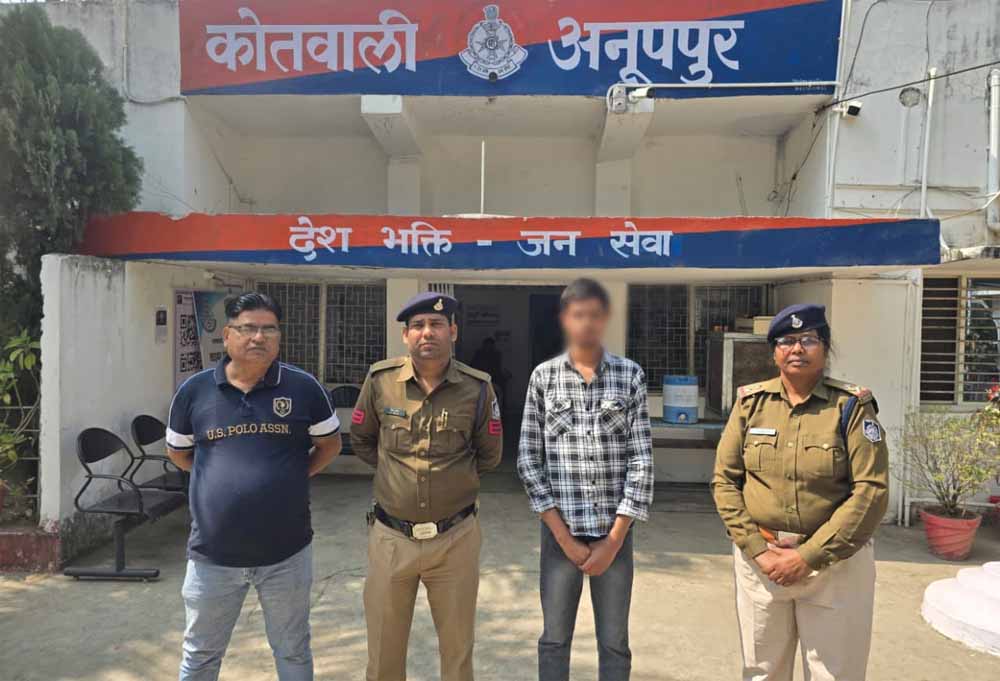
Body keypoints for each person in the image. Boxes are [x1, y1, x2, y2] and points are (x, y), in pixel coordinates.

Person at [166, 292, 342, 681]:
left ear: (279, 336)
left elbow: (330, 446)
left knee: (293, 649)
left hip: (286, 554)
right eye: (248, 328)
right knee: (200, 655)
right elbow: (179, 453)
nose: (258, 337)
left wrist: (291, 475)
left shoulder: (304, 388)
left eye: (268, 329)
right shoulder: (194, 392)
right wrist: (218, 478)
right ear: (228, 334)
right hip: (212, 556)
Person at [712, 304, 889, 681]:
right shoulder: (750, 405)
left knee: (834, 674)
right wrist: (758, 550)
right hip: (762, 563)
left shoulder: (851, 407)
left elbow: (870, 492)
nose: (797, 348)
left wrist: (808, 556)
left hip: (835, 566)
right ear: (774, 352)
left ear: (825, 347)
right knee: (762, 672)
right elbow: (725, 481)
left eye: (808, 339)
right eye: (786, 341)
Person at [351, 291, 503, 681]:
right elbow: (363, 441)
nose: (427, 332)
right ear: (406, 336)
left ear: (453, 331)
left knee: (457, 652)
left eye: (436, 324)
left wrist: (449, 481)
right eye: (417, 325)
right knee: (383, 653)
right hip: (391, 538)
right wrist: (395, 475)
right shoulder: (381, 381)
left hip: (455, 540)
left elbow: (489, 455)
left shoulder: (477, 388)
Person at [517, 278, 654, 681]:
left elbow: (641, 461)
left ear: (605, 319)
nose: (587, 323)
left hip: (615, 536)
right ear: (565, 319)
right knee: (554, 639)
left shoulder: (630, 376)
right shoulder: (544, 378)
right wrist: (564, 538)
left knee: (614, 642)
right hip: (560, 536)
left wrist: (613, 541)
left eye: (595, 315)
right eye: (579, 315)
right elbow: (528, 460)